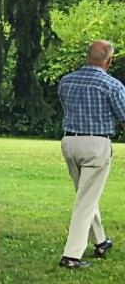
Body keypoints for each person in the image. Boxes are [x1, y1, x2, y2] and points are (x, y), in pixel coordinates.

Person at [56, 40, 125, 269]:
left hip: (69, 141)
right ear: (109, 60)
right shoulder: (112, 85)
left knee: (85, 195)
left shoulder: (66, 82)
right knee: (85, 201)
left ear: (87, 57)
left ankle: (101, 241)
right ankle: (71, 256)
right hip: (96, 144)